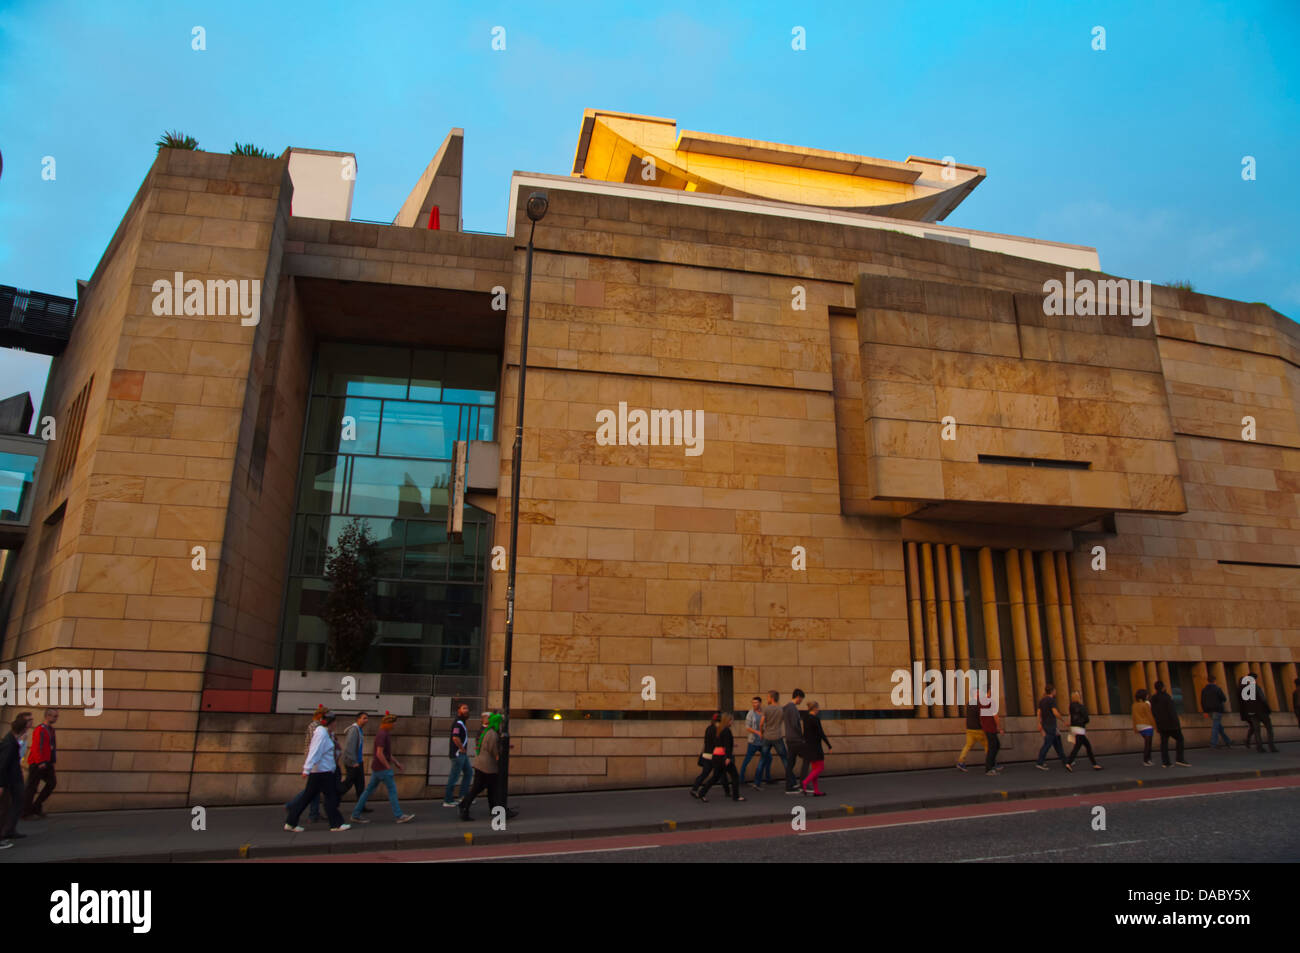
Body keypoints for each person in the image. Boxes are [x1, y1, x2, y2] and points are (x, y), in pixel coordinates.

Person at [284, 709, 350, 832]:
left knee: (309, 797)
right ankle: (336, 824)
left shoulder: (326, 733)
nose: (336, 724)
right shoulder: (321, 733)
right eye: (335, 722)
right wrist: (307, 768)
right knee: (329, 798)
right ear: (331, 722)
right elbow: (314, 751)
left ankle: (291, 822)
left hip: (322, 771)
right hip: (321, 772)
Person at [351, 712, 415, 824]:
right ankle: (399, 815)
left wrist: (396, 763)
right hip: (382, 769)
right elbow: (379, 753)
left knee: (368, 791)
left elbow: (386, 753)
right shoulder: (383, 735)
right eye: (393, 723)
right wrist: (388, 767)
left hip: (378, 768)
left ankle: (355, 814)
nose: (394, 725)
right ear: (388, 723)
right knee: (392, 791)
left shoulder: (384, 733)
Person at [459, 713, 517, 821]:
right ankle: (465, 806)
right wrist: (500, 757)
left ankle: (494, 809)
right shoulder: (492, 734)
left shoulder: (489, 732)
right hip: (487, 766)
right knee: (487, 788)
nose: (501, 725)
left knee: (490, 788)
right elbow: (493, 749)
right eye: (500, 723)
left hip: (482, 764)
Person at [696, 712, 745, 802]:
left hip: (716, 756)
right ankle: (736, 796)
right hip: (723, 757)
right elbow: (726, 745)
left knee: (715, 777)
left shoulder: (718, 729)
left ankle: (701, 793)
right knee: (735, 776)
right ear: (728, 720)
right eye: (731, 720)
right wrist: (728, 757)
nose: (732, 722)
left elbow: (718, 743)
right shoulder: (726, 730)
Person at [0, 713, 33, 849]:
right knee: (4, 809)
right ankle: (4, 834)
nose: (31, 724)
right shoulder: (10, 743)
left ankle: (8, 831)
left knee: (13, 804)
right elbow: (2, 765)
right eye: (29, 722)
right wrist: (1, 784)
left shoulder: (13, 740)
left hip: (13, 778)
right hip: (9, 780)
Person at [22, 708, 58, 818]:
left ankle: (36, 806)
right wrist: (40, 761)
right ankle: (26, 812)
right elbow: (37, 746)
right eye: (54, 716)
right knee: (32, 787)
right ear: (47, 716)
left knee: (51, 783)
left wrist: (51, 760)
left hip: (47, 762)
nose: (56, 718)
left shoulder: (51, 730)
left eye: (56, 716)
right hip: (38, 763)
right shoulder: (40, 729)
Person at [1150, 680, 1189, 767]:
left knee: (1164, 743)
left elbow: (1153, 712)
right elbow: (1172, 712)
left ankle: (1166, 762)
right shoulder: (1166, 697)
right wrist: (1176, 724)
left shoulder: (1153, 698)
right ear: (1163, 688)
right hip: (1171, 724)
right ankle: (1180, 759)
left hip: (1161, 724)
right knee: (1180, 739)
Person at [444, 702, 475, 807]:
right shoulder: (458, 723)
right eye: (464, 708)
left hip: (462, 754)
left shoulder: (462, 722)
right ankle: (448, 800)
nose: (466, 710)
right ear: (459, 711)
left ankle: (463, 796)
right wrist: (461, 748)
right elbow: (455, 737)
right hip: (458, 754)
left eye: (467, 708)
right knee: (454, 777)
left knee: (469, 772)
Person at [1240, 673, 1279, 754]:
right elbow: (1263, 699)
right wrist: (1268, 708)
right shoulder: (1256, 687)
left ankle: (1259, 747)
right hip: (1261, 711)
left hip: (1252, 712)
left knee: (1257, 730)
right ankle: (1271, 746)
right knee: (1269, 728)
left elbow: (1245, 702)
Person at [756, 691, 787, 790]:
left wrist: (761, 732)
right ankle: (792, 781)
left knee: (762, 760)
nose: (767, 699)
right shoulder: (781, 709)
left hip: (767, 737)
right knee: (785, 759)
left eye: (768, 697)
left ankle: (757, 783)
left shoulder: (766, 709)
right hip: (777, 736)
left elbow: (761, 723)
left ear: (771, 698)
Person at [338, 712, 370, 808]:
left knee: (360, 785)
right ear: (358, 719)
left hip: (358, 761)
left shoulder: (359, 730)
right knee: (348, 783)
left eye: (367, 718)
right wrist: (353, 761)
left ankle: (361, 806)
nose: (366, 720)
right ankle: (335, 797)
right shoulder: (354, 730)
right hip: (353, 762)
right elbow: (349, 747)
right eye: (364, 718)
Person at [799, 702, 832, 796]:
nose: (818, 709)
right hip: (816, 746)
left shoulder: (805, 718)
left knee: (815, 769)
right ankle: (805, 782)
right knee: (820, 767)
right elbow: (821, 733)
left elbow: (805, 733)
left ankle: (816, 791)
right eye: (818, 708)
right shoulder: (815, 719)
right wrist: (829, 745)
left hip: (809, 746)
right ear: (814, 708)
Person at [1034, 685, 1069, 771]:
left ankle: (1065, 761)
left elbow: (1038, 713)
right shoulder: (1051, 700)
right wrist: (1063, 720)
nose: (1056, 692)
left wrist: (1039, 723)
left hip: (1046, 724)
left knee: (1057, 743)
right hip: (1051, 724)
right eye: (1055, 691)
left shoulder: (1042, 700)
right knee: (1048, 743)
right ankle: (1040, 762)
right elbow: (1055, 712)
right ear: (1052, 691)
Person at [1064, 690, 1101, 770]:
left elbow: (1071, 717)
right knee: (1079, 746)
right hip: (1080, 728)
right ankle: (1069, 763)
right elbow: (1087, 719)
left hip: (1074, 728)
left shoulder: (1071, 706)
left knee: (1086, 746)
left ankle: (1094, 764)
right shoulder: (1082, 707)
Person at [690, 713, 725, 797]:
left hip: (706, 753)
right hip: (713, 754)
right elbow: (716, 742)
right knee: (719, 773)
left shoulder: (708, 728)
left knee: (705, 773)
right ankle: (727, 791)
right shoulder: (717, 730)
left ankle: (695, 788)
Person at [782, 688, 807, 793]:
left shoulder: (786, 707)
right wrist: (802, 737)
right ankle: (803, 783)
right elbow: (795, 724)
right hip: (796, 739)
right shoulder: (792, 708)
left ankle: (789, 786)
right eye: (801, 699)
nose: (801, 701)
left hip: (789, 738)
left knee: (791, 763)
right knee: (807, 758)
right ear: (798, 697)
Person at [1200, 674, 1231, 748]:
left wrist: (1205, 711)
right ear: (1214, 681)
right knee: (1215, 727)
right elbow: (1224, 698)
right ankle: (1213, 743)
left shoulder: (1204, 690)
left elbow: (1202, 701)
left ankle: (1228, 741)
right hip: (1217, 710)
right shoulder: (1217, 689)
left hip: (1209, 710)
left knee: (1218, 726)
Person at [955, 699, 986, 772]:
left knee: (968, 746)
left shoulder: (969, 703)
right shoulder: (979, 704)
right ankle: (992, 762)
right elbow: (981, 717)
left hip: (969, 729)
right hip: (978, 729)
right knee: (987, 745)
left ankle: (961, 762)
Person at [739, 697, 764, 787]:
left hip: (762, 741)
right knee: (747, 760)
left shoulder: (763, 712)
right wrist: (757, 732)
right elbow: (748, 727)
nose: (754, 704)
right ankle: (741, 779)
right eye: (753, 703)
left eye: (756, 702)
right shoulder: (750, 713)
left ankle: (766, 778)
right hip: (753, 741)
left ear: (760, 703)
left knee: (768, 758)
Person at [1132, 689, 1155, 766]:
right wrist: (1155, 725)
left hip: (1139, 725)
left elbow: (1134, 717)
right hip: (1147, 725)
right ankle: (1147, 760)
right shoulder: (1146, 705)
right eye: (1147, 695)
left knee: (1147, 743)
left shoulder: (1134, 705)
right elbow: (1149, 716)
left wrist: (1135, 728)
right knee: (1148, 744)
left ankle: (1148, 760)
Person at [981, 707, 1003, 776]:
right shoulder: (990, 702)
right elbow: (995, 716)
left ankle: (992, 765)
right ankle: (989, 768)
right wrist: (999, 727)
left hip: (987, 728)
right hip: (991, 728)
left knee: (996, 745)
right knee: (993, 747)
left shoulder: (981, 703)